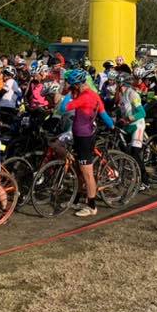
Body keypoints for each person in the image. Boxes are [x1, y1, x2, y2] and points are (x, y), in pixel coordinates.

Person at [58, 69, 114, 218]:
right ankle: (77, 199)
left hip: (84, 137)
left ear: (76, 84)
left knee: (87, 174)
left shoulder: (85, 97)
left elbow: (63, 108)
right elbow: (104, 115)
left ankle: (92, 206)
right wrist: (112, 126)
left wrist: (68, 94)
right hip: (81, 136)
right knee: (79, 171)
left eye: (71, 84)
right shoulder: (93, 95)